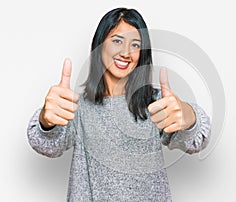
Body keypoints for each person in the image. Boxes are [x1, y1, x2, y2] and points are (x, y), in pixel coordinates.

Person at [27, 7, 211, 202]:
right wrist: (46, 121)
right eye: (117, 41)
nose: (126, 53)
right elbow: (45, 145)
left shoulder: (155, 104)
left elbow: (197, 141)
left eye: (135, 45)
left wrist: (187, 115)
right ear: (100, 45)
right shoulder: (77, 107)